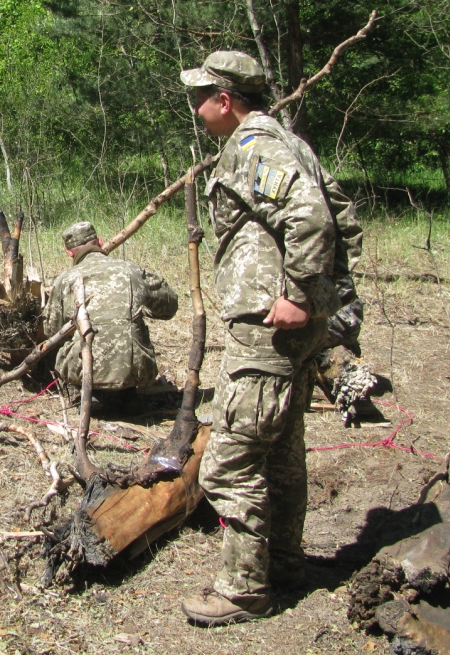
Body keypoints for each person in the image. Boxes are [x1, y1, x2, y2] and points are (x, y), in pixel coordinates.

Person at [177, 51, 361, 626]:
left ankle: (241, 589)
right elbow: (346, 215)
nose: (196, 108)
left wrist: (300, 295)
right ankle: (282, 564)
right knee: (280, 450)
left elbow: (314, 217)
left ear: (226, 100)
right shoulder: (288, 141)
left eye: (200, 97)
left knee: (229, 460)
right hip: (294, 326)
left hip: (270, 325)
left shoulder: (255, 145)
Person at [43, 221, 178, 411]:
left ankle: (87, 392)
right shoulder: (132, 271)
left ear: (70, 253)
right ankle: (126, 394)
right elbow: (169, 306)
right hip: (133, 371)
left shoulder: (65, 279)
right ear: (100, 241)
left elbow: (51, 330)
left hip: (83, 371)